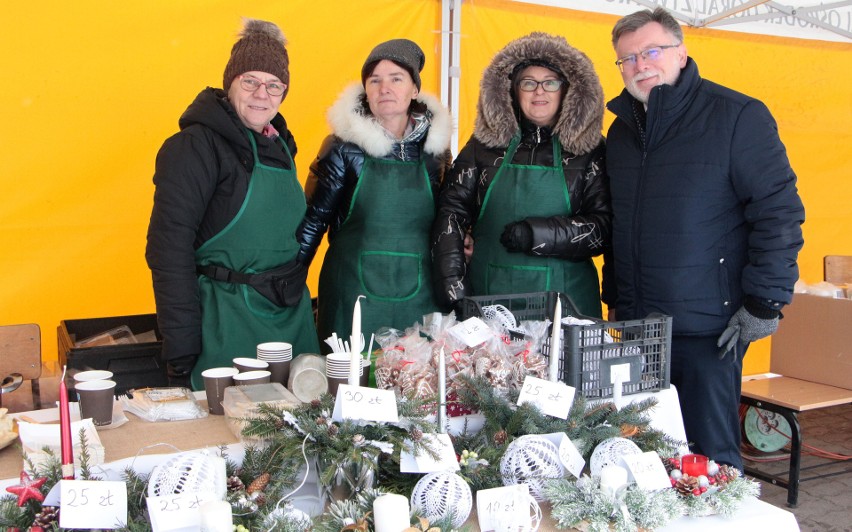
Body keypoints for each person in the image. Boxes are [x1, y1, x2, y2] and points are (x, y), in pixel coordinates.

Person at [604, 8, 805, 470]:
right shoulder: (621, 132)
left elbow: (779, 212)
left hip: (710, 328)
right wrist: (616, 298)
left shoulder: (737, 116)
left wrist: (765, 302)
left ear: (681, 51)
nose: (640, 65)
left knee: (709, 457)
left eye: (651, 51)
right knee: (648, 454)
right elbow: (622, 223)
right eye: (627, 59)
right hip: (641, 328)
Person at [146, 19, 319, 390]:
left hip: (290, 319)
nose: (262, 94)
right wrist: (181, 344)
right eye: (250, 81)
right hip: (227, 323)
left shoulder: (282, 146)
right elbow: (168, 248)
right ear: (230, 82)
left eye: (274, 85)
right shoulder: (195, 147)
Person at [431, 33, 611, 318]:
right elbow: (451, 212)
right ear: (513, 91)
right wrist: (453, 287)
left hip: (567, 306)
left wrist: (536, 234)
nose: (539, 92)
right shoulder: (484, 146)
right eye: (528, 83)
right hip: (489, 301)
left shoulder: (591, 150)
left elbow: (603, 229)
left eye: (550, 82)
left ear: (568, 90)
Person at [296, 39, 452, 348]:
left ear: (414, 90)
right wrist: (288, 282)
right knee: (346, 387)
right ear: (366, 90)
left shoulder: (436, 152)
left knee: (414, 385)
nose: (385, 88)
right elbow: (313, 221)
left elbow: (450, 219)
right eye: (375, 80)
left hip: (421, 297)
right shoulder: (342, 147)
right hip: (352, 296)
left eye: (396, 79)